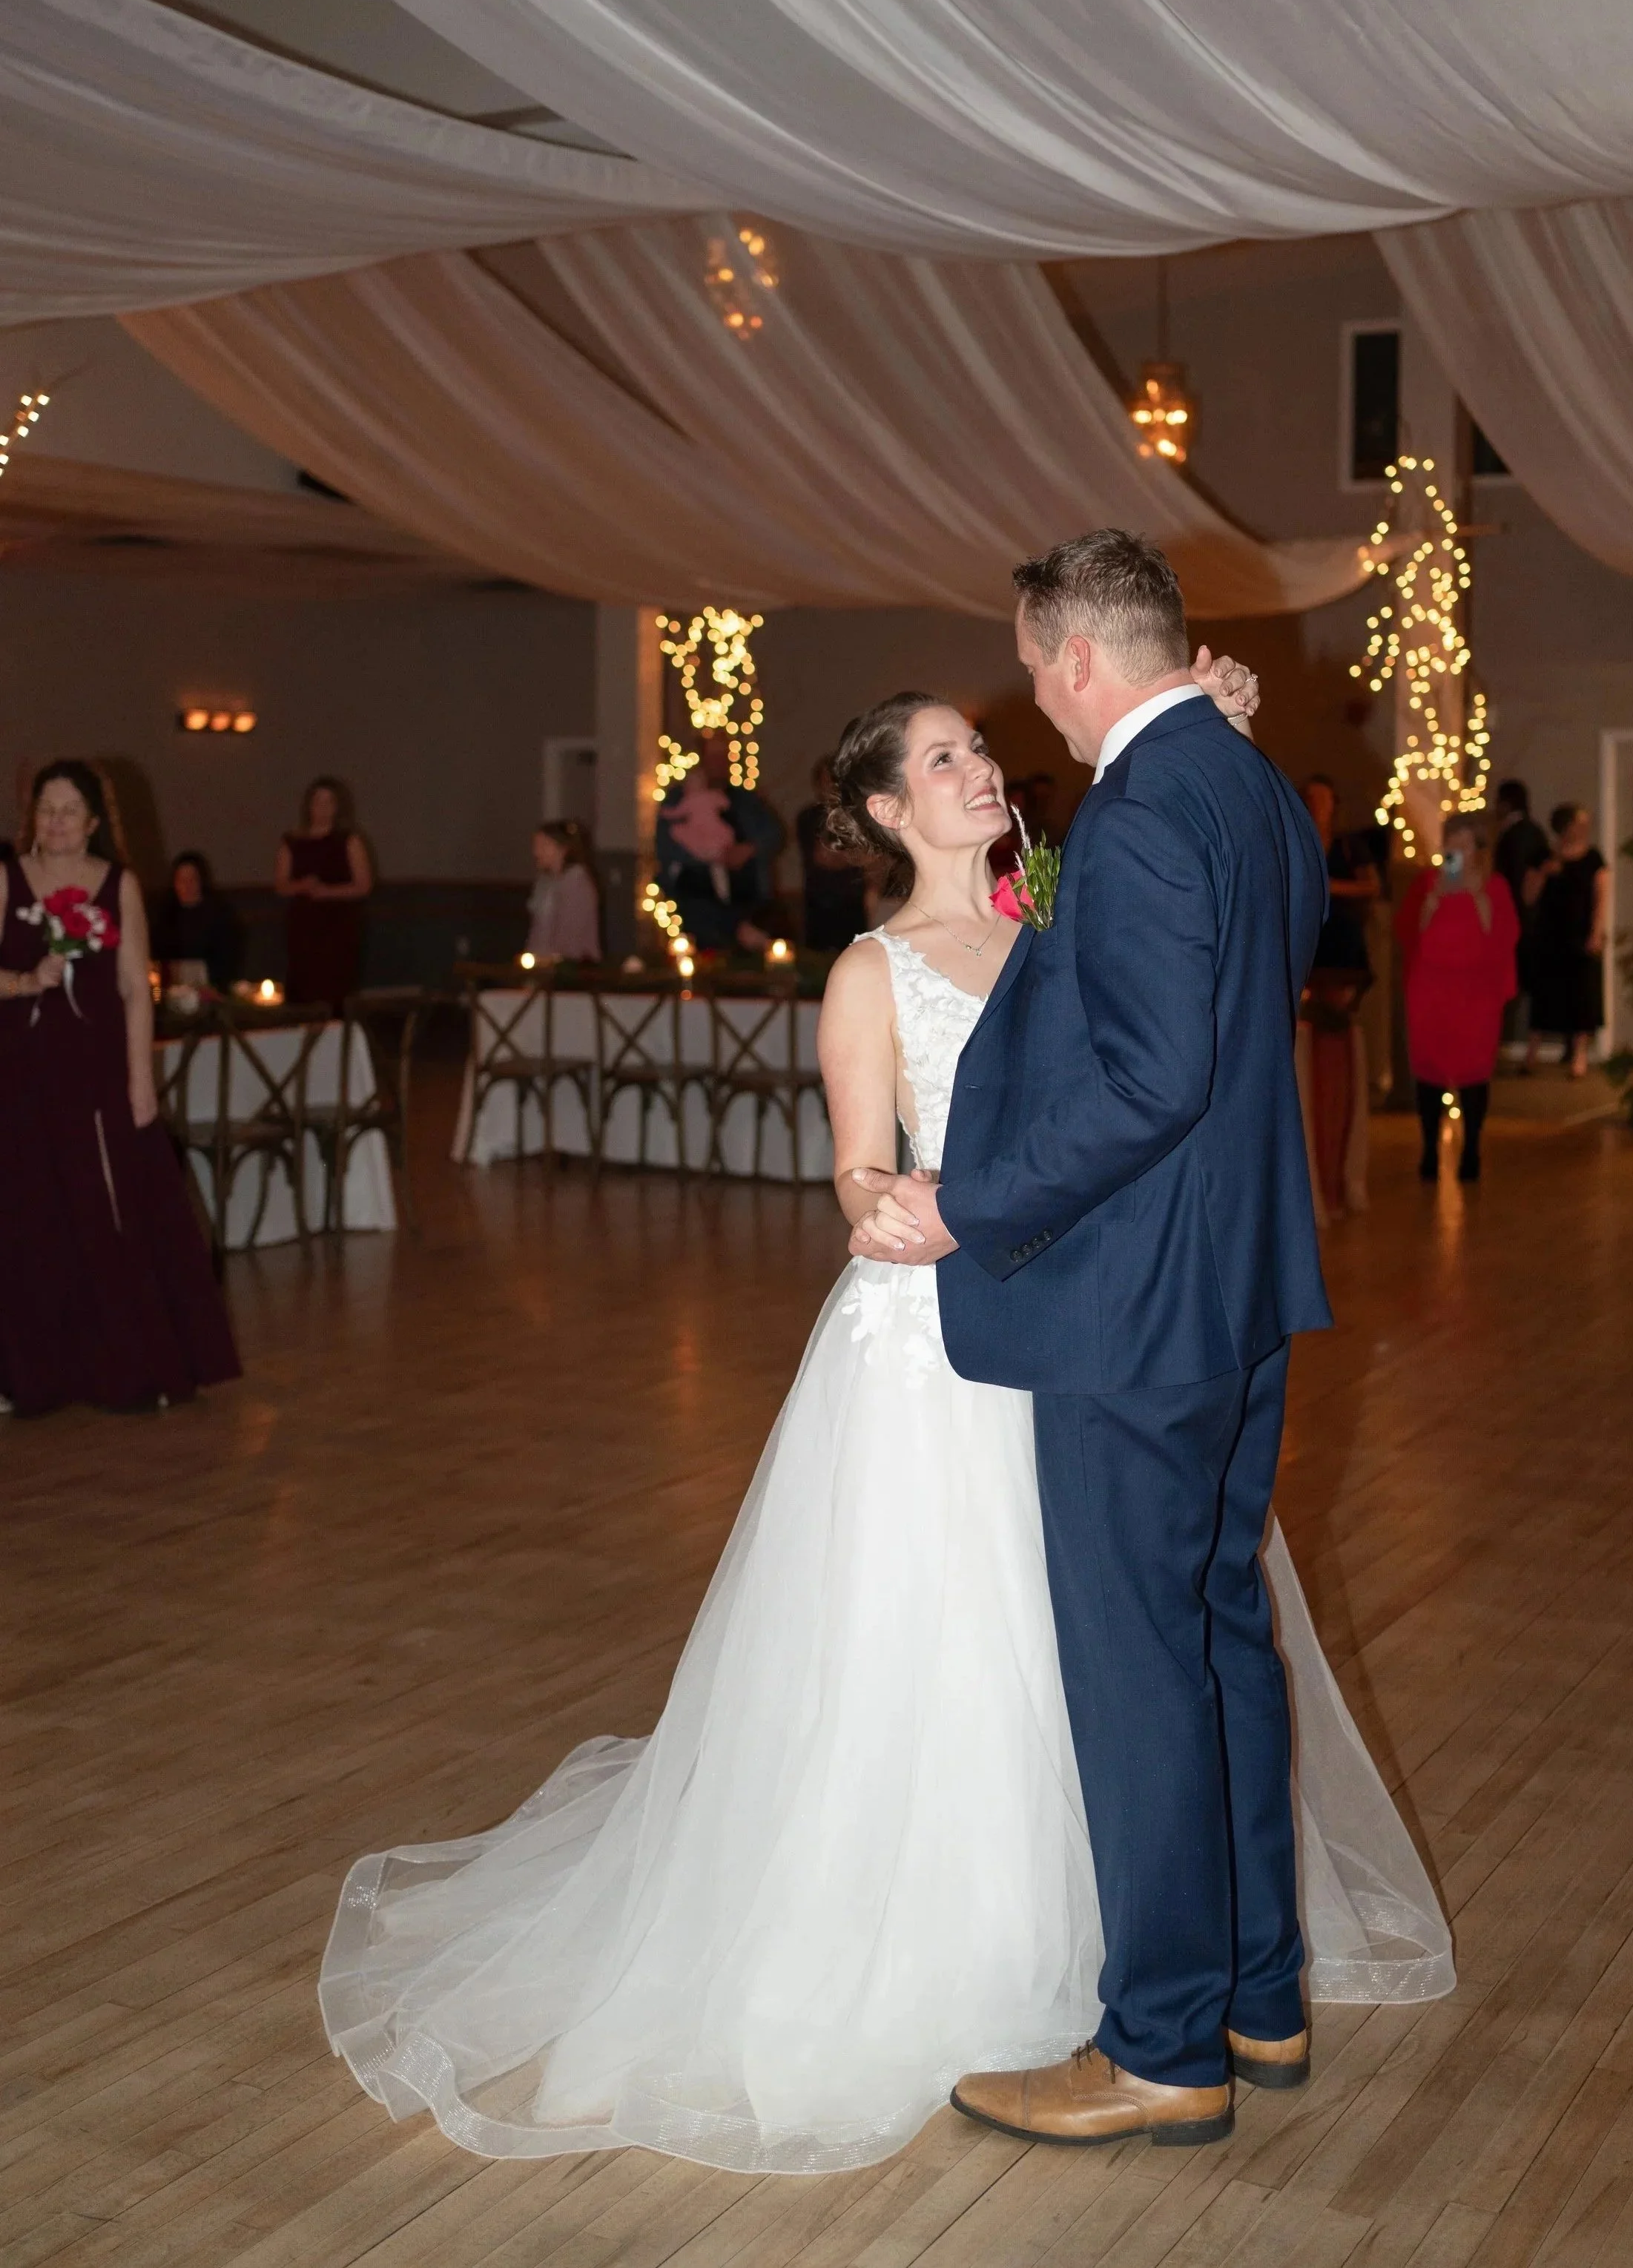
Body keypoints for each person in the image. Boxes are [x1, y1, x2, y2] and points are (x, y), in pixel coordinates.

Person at [315, 636, 1451, 2170]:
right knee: (950, 1646)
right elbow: (858, 1169)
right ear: (882, 810)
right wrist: (896, 1199)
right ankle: (983, 1959)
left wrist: (1210, 741)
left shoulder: (1049, 905)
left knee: (1109, 1655)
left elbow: (1194, 975)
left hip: (1097, 1333)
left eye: (978, 746)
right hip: (937, 1346)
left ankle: (1135, 1966)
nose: (979, 767)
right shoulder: (870, 969)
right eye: (938, 759)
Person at [855, 532, 1448, 2146]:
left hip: (1134, 1306)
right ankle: (1256, 1995)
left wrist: (971, 1201)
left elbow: (1146, 1077)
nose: (1031, 703)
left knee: (1135, 1669)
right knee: (1215, 1635)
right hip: (1235, 1286)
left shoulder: (1139, 808)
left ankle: (1158, 2044)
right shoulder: (1252, 787)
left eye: (1032, 670)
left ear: (1068, 660)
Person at [0, 761, 240, 1416]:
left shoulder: (118, 886)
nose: (54, 821)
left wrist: (141, 1081)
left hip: (95, 1069)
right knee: (27, 1213)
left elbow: (137, 990)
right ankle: (27, 1373)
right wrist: (27, 982)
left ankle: (131, 1364)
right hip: (20, 1068)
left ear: (95, 822)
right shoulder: (8, 880)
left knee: (109, 1209)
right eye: (45, 809)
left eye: (68, 809)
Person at [1396, 816, 1520, 1182]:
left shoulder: (1495, 887)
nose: (1458, 852)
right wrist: (1433, 901)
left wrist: (1477, 894)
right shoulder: (1426, 884)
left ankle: (1472, 1150)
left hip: (1476, 992)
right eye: (1453, 843)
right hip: (1431, 989)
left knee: (1474, 1070)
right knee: (1429, 1069)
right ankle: (1429, 1151)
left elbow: (1504, 936)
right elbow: (1407, 933)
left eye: (1466, 845)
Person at [1296, 774, 1377, 1222]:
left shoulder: (1349, 848)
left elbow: (1372, 887)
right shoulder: (1297, 837)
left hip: (1345, 960)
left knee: (1343, 1050)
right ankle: (1318, 1180)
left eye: (1323, 799)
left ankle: (1343, 1178)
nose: (1317, 805)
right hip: (1309, 959)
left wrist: (1330, 888)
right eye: (1311, 798)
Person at [653, 736, 782, 955]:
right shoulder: (679, 799)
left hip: (746, 899)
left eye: (723, 757)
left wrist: (748, 850)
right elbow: (666, 847)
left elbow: (774, 834)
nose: (719, 763)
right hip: (698, 901)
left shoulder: (745, 800)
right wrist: (712, 856)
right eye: (713, 757)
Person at [1526, 802, 1610, 1078]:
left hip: (1580, 934)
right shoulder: (1543, 856)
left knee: (1582, 995)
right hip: (1549, 935)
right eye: (1578, 824)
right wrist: (1543, 873)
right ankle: (1532, 1053)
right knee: (1543, 994)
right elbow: (1528, 896)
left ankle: (1579, 1055)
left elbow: (1601, 897)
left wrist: (1596, 933)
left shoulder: (1593, 859)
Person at [277, 777, 372, 1009]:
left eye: (329, 802)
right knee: (303, 988)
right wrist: (303, 886)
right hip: (303, 928)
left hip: (337, 928)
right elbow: (281, 885)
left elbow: (363, 885)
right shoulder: (293, 841)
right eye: (318, 802)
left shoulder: (349, 841)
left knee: (334, 989)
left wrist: (327, 892)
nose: (322, 809)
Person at [1492, 780, 1551, 1055]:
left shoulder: (1513, 836)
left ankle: (1497, 1044)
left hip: (1516, 920)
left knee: (1509, 984)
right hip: (1533, 921)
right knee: (1531, 986)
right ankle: (1530, 1048)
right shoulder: (1535, 833)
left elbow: (1513, 880)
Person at [794, 754, 868, 952]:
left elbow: (869, 857)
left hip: (852, 904)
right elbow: (823, 857)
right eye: (827, 782)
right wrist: (852, 857)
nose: (832, 788)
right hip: (819, 906)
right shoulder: (809, 817)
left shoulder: (856, 816)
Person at [149, 849, 241, 992]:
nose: (187, 886)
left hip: (210, 989)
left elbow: (227, 959)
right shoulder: (164, 914)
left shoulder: (219, 915)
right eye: (181, 880)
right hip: (170, 990)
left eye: (192, 880)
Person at [526, 821, 602, 962]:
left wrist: (556, 960)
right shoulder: (545, 883)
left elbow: (572, 934)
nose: (536, 852)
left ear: (562, 849)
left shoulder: (576, 882)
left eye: (544, 846)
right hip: (542, 965)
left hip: (570, 968)